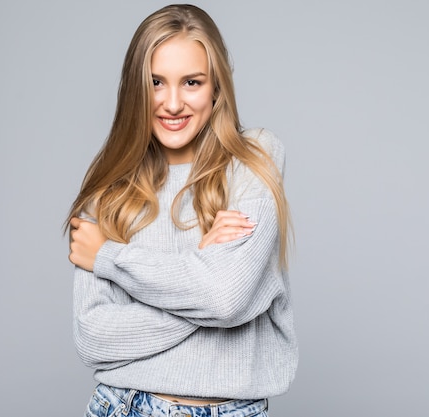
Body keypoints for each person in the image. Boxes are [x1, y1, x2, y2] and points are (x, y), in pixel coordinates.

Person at [66, 4, 297, 417]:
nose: (172, 103)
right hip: (124, 406)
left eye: (191, 82)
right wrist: (205, 278)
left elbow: (225, 298)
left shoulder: (256, 160)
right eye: (156, 82)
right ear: (136, 88)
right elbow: (94, 338)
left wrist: (109, 257)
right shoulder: (109, 191)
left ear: (216, 88)